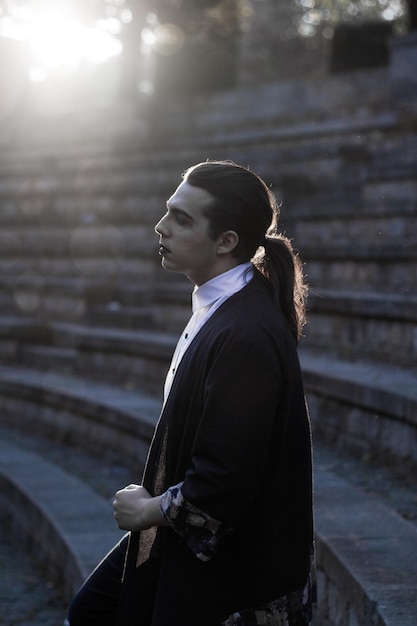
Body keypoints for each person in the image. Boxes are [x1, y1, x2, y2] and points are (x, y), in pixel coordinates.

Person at [67, 160, 315, 626]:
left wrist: (148, 510)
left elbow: (223, 483)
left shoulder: (244, 335)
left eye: (182, 219)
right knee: (91, 612)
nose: (161, 227)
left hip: (233, 565)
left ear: (226, 242)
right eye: (168, 211)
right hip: (190, 543)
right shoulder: (224, 305)